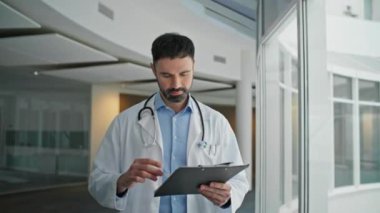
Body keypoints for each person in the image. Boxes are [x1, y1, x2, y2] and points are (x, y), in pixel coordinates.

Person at [88, 33, 249, 213]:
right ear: (153, 70)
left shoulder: (217, 122)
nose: (176, 84)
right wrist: (122, 181)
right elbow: (97, 182)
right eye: (166, 75)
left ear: (194, 66)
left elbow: (239, 182)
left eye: (184, 74)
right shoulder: (125, 122)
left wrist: (227, 197)